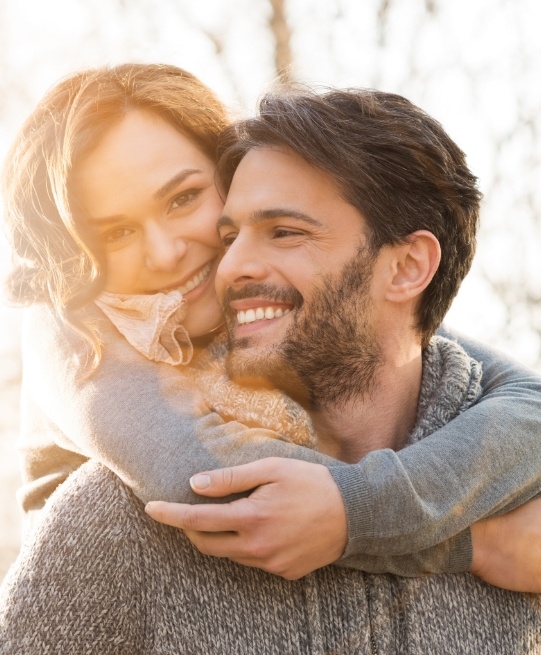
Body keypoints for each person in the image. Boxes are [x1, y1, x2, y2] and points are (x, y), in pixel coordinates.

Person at [2, 86, 540, 654]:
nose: (166, 253)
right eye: (114, 231)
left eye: (184, 199)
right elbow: (209, 483)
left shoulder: (495, 467)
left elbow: (506, 390)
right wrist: (474, 545)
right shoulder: (77, 340)